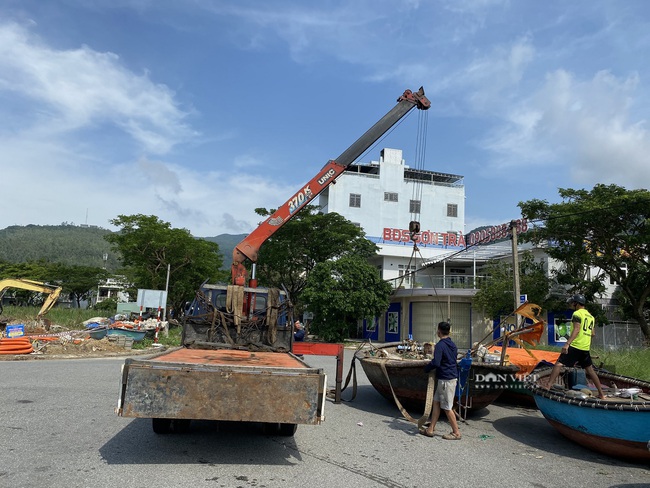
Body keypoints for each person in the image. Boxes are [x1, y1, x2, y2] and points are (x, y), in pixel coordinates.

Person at [545, 294, 605, 399]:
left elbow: (576, 329)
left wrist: (567, 344)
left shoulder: (577, 314)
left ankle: (548, 386)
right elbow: (593, 333)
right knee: (590, 370)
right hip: (585, 347)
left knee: (559, 364)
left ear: (576, 303)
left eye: (573, 303)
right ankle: (601, 394)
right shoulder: (591, 317)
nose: (572, 304)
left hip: (576, 345)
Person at [420, 321, 461, 440]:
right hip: (449, 377)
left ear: (438, 331)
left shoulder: (440, 345)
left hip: (446, 380)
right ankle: (430, 429)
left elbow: (436, 362)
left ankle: (456, 432)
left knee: (447, 407)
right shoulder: (452, 344)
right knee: (436, 402)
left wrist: (426, 368)